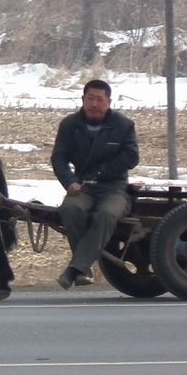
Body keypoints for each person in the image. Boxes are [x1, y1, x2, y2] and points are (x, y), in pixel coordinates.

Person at [50, 79, 139, 289]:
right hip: (82, 187)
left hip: (115, 188)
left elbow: (131, 157)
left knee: (107, 214)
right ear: (83, 100)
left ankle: (75, 268)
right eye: (90, 99)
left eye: (100, 99)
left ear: (109, 101)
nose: (94, 104)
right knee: (71, 208)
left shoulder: (123, 125)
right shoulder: (70, 125)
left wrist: (101, 173)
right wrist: (69, 182)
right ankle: (84, 268)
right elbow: (59, 157)